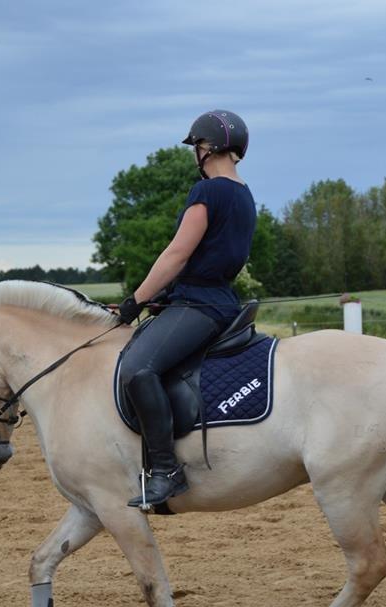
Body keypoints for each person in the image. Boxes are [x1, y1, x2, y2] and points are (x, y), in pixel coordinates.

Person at [117, 109, 257, 510]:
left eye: (197, 145)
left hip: (199, 303)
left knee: (137, 369)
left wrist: (136, 301)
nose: (195, 153)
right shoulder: (245, 195)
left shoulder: (208, 193)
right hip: (216, 300)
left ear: (208, 146)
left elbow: (177, 254)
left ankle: (165, 471)